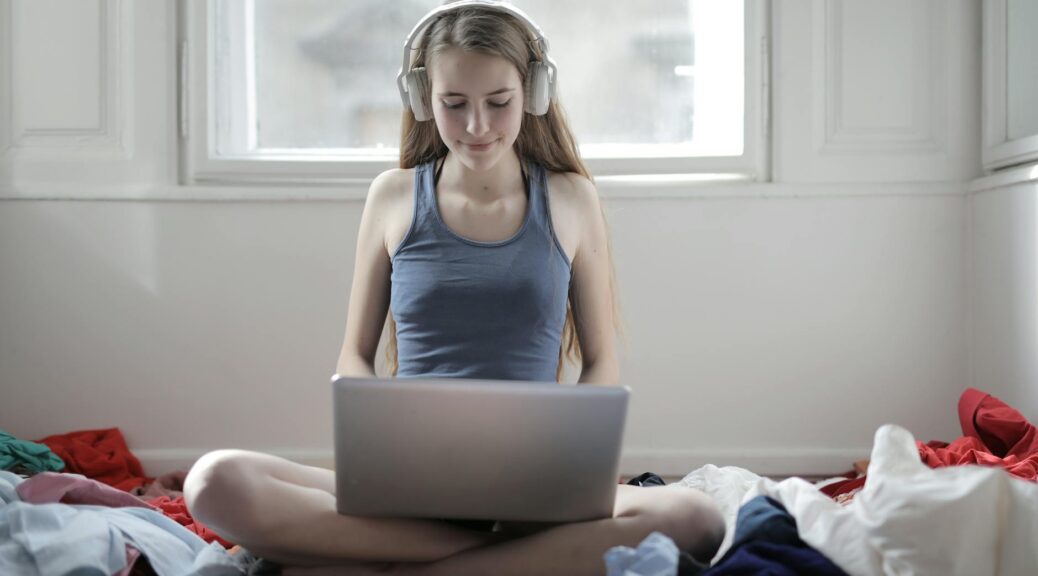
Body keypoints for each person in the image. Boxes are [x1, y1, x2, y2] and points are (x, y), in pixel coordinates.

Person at [184, 2, 724, 574]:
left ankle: (403, 563)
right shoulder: (391, 196)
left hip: (536, 486)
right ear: (422, 99)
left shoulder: (571, 198)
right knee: (215, 481)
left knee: (697, 519)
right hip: (411, 484)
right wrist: (379, 452)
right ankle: (500, 562)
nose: (476, 126)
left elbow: (601, 363)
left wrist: (570, 470)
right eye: (453, 104)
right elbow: (355, 356)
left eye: (498, 103)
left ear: (534, 92)